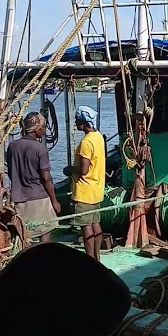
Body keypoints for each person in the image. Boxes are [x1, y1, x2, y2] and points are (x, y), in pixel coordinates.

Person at [6, 112, 62, 244]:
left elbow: (11, 172)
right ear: (37, 129)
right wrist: (54, 200)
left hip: (18, 197)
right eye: (43, 127)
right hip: (38, 197)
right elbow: (46, 178)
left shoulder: (12, 146)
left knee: (22, 234)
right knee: (45, 231)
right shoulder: (40, 148)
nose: (44, 130)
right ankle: (42, 260)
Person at [64, 105, 106, 260]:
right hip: (96, 189)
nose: (75, 123)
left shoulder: (86, 143)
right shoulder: (98, 137)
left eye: (77, 120)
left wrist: (69, 170)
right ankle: (96, 256)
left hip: (84, 191)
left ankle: (89, 259)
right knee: (95, 223)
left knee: (86, 226)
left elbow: (83, 170)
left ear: (84, 122)